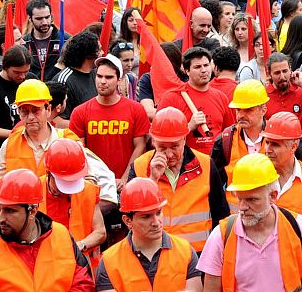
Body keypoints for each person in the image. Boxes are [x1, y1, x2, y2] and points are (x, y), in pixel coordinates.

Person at [199, 153, 302, 291]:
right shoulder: (221, 236)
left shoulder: (299, 226)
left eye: (252, 200)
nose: (243, 207)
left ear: (273, 196)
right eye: (240, 199)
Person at [0, 169, 95, 291]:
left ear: (32, 210)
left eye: (10, 211)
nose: (0, 218)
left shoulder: (62, 236)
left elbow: (83, 284)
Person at [128, 107, 230, 253]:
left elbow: (221, 216)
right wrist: (152, 179)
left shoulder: (206, 164)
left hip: (199, 257)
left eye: (175, 146)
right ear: (153, 141)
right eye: (162, 147)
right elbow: (131, 217)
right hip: (155, 256)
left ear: (184, 139)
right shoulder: (139, 167)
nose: (169, 154)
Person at [95, 177, 203, 292]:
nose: (156, 222)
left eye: (158, 213)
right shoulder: (109, 261)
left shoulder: (185, 251)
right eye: (146, 216)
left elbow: (195, 289)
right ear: (127, 221)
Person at [68, 54, 150, 183]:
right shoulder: (80, 112)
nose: (102, 81)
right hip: (93, 183)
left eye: (109, 77)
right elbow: (79, 150)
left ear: (120, 79)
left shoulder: (136, 109)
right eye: (99, 76)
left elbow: (140, 146)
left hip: (127, 183)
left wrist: (126, 177)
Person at [40, 138, 106, 268]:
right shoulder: (34, 190)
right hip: (44, 265)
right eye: (63, 184)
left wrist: (79, 245)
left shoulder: (88, 190)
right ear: (49, 174)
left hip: (80, 267)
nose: (68, 190)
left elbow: (101, 232)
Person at [156, 47, 233, 155]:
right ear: (187, 71)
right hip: (185, 163)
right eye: (197, 67)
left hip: (215, 164)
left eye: (206, 65)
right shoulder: (171, 98)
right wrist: (189, 127)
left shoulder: (221, 97)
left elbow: (229, 135)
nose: (204, 70)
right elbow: (158, 139)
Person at [262, 112, 302, 216]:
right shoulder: (256, 174)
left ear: (293, 147)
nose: (268, 150)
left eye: (275, 144)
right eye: (267, 142)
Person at [22, 0, 68, 81]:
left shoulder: (66, 40)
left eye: (47, 17)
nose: (44, 22)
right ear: (30, 19)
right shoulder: (24, 42)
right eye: (39, 19)